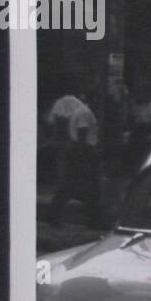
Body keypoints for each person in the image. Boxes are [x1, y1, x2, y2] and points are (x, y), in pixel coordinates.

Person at [45, 88, 104, 227]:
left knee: (77, 187)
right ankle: (94, 219)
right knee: (84, 187)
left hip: (80, 150)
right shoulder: (85, 113)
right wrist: (86, 154)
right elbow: (82, 134)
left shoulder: (80, 112)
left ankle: (94, 219)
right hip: (84, 151)